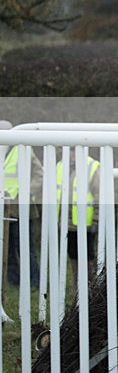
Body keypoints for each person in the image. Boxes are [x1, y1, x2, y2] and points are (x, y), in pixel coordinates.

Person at [2, 120, 43, 288]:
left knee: (27, 247)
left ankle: (35, 281)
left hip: (21, 207)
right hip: (5, 207)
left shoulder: (23, 149)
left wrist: (26, 192)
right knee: (7, 248)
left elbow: (39, 174)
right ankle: (13, 281)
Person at [56, 149, 101, 287]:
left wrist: (96, 220)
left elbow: (100, 195)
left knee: (87, 256)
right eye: (70, 150)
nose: (72, 154)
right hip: (66, 221)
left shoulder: (92, 166)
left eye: (74, 151)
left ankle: (92, 288)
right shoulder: (60, 166)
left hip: (85, 222)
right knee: (73, 254)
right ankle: (78, 288)